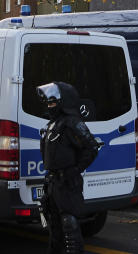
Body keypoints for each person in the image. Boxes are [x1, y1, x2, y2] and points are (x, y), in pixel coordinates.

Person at [37, 81, 100, 253]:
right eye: (48, 103)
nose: (50, 106)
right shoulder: (52, 125)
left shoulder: (72, 123)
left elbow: (92, 147)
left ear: (63, 102)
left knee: (69, 224)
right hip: (53, 182)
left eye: (53, 102)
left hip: (67, 182)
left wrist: (76, 169)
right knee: (55, 226)